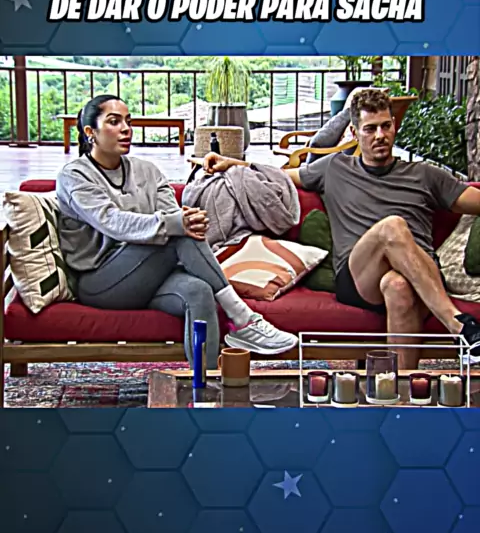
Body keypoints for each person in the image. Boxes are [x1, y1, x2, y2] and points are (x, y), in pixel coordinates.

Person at [203, 88, 480, 368]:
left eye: (385, 126)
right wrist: (232, 163)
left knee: (397, 286)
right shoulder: (334, 168)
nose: (380, 135)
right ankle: (458, 325)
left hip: (420, 276)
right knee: (392, 227)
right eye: (370, 129)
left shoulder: (425, 174)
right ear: (355, 133)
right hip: (359, 275)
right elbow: (279, 175)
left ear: (394, 126)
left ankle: (398, 389)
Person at [55, 95, 298, 369]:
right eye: (114, 122)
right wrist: (179, 223)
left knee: (199, 291)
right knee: (178, 231)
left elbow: (174, 215)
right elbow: (113, 221)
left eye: (128, 121)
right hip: (101, 282)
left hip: (149, 274)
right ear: (91, 132)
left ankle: (205, 384)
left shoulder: (147, 171)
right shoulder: (74, 176)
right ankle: (243, 318)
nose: (126, 129)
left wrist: (189, 220)